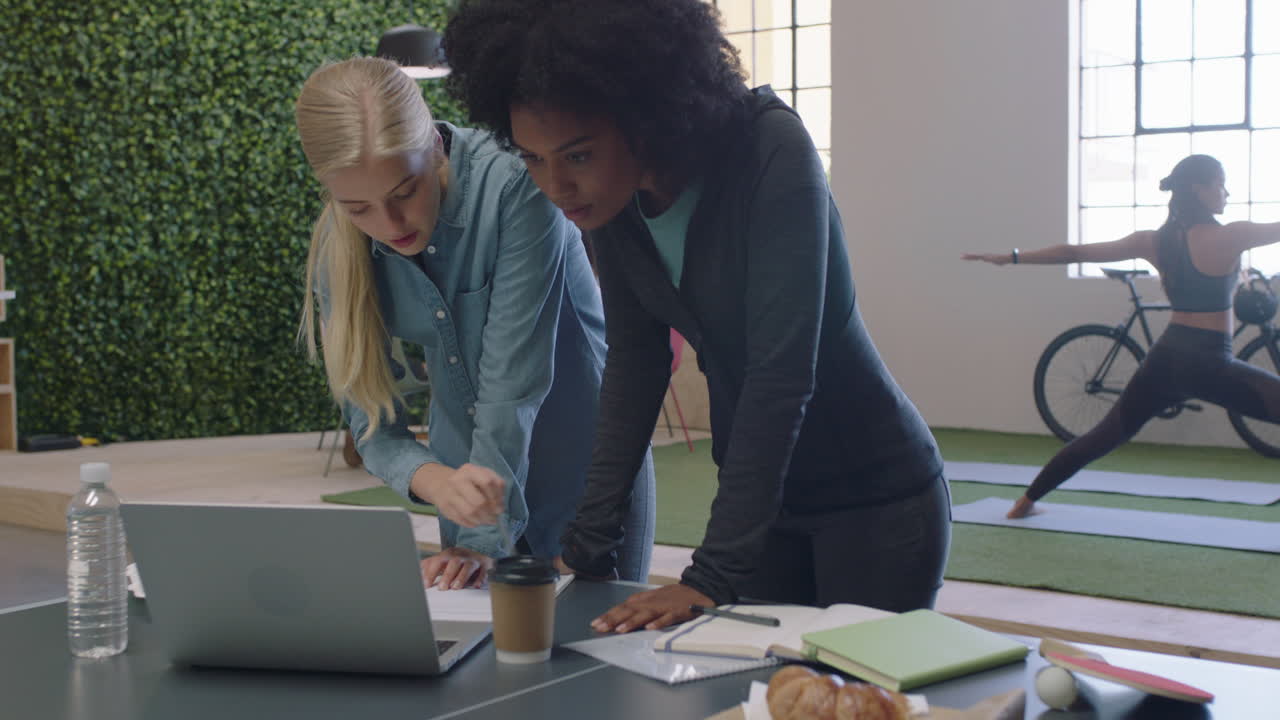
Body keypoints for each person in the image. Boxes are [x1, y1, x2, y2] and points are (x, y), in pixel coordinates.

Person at [443, 0, 952, 632]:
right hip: (763, 514)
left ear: (642, 113)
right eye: (532, 158)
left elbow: (780, 375)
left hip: (877, 504)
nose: (555, 186)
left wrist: (709, 577)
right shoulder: (614, 200)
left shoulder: (770, 147)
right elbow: (635, 361)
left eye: (576, 155)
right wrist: (587, 541)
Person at [294, 57, 655, 588]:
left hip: (588, 477)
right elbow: (372, 426)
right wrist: (438, 482)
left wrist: (481, 538)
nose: (389, 226)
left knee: (599, 657)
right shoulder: (338, 248)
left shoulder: (516, 183)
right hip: (466, 491)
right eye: (358, 208)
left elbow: (513, 383)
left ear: (435, 147)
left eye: (405, 193)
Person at [964, 154, 1280, 518]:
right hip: (1209, 362)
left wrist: (1012, 257)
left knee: (1104, 435)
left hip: (1167, 358)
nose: (1227, 192)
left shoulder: (1154, 241)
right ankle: (1026, 502)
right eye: (1221, 183)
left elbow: (1075, 252)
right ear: (1200, 189)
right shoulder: (1232, 235)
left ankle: (1024, 503)